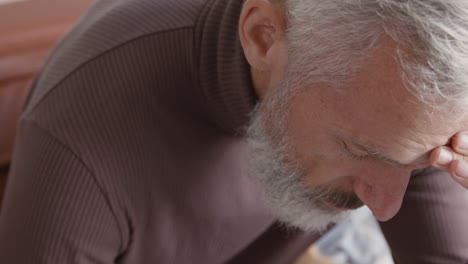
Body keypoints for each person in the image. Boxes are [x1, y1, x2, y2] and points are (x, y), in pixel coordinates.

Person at [0, 0, 467, 263]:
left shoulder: (389, 107)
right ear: (263, 37)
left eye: (416, 162)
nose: (385, 208)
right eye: (357, 149)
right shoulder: (76, 151)